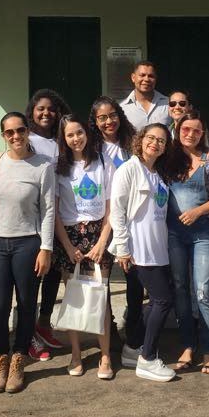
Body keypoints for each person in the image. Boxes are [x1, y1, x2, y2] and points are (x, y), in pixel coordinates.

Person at [0, 112, 54, 394]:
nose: (16, 136)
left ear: (28, 131)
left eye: (20, 130)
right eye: (10, 133)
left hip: (27, 244)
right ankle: (0, 361)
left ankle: (19, 359)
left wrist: (46, 248)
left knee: (27, 305)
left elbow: (48, 210)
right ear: (3, 136)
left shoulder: (42, 166)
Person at [109, 123, 176, 383]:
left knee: (152, 302)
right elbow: (118, 211)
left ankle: (132, 347)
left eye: (161, 140)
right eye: (151, 138)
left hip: (158, 248)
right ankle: (148, 359)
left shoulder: (158, 173)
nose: (155, 143)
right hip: (139, 249)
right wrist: (123, 249)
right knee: (162, 300)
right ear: (141, 140)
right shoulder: (129, 170)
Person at [167, 110, 209, 374]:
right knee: (180, 289)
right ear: (178, 130)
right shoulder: (169, 159)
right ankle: (188, 346)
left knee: (203, 291)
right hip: (174, 234)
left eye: (196, 130)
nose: (190, 134)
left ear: (203, 133)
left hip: (204, 232)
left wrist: (197, 211)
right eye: (185, 129)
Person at [53, 115, 114, 380]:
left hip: (98, 233)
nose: (76, 138)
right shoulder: (59, 167)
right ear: (63, 140)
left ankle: (105, 356)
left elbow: (113, 205)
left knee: (101, 299)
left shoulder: (103, 161)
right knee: (74, 298)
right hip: (69, 236)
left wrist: (102, 241)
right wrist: (67, 246)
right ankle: (76, 354)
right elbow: (53, 211)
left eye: (79, 132)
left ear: (86, 133)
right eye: (69, 135)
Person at [89, 96, 143, 363]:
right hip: (103, 221)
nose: (108, 121)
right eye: (102, 117)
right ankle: (108, 336)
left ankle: (133, 332)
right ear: (95, 122)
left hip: (132, 219)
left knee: (134, 278)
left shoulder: (132, 144)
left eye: (112, 115)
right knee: (104, 282)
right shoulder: (92, 147)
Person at [25, 88, 71, 360]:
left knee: (53, 273)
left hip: (59, 216)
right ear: (32, 111)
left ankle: (44, 324)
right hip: (33, 219)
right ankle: (28, 333)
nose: (46, 113)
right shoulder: (26, 139)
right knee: (33, 276)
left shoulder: (60, 140)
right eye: (40, 108)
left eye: (51, 109)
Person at [120, 60, 171, 130]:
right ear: (133, 77)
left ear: (156, 79)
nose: (146, 79)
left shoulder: (168, 104)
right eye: (142, 75)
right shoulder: (122, 109)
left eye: (151, 76)